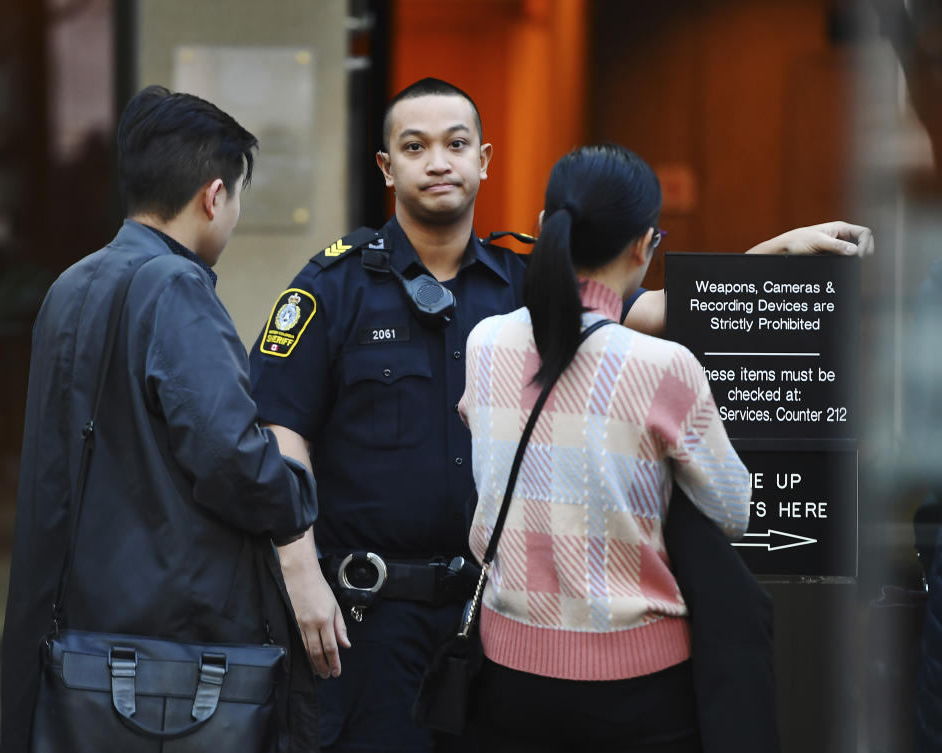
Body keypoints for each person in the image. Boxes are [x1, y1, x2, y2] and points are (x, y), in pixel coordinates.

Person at [248, 76, 874, 753]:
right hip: (370, 613)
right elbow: (282, 427)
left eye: (456, 143)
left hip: (487, 617)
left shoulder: (523, 281)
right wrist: (297, 567)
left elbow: (645, 309)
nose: (438, 161)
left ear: (484, 159)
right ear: (386, 167)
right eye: (415, 145)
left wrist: (774, 256)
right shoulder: (332, 286)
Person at [0, 86, 319, 753]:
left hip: (83, 638)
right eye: (236, 197)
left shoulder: (72, 284)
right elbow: (232, 457)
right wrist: (293, 479)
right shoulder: (175, 287)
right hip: (171, 657)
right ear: (213, 195)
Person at [459, 143, 750, 752]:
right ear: (646, 244)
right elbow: (732, 510)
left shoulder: (485, 343)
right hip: (638, 684)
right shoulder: (664, 366)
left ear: (542, 230)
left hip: (507, 675)